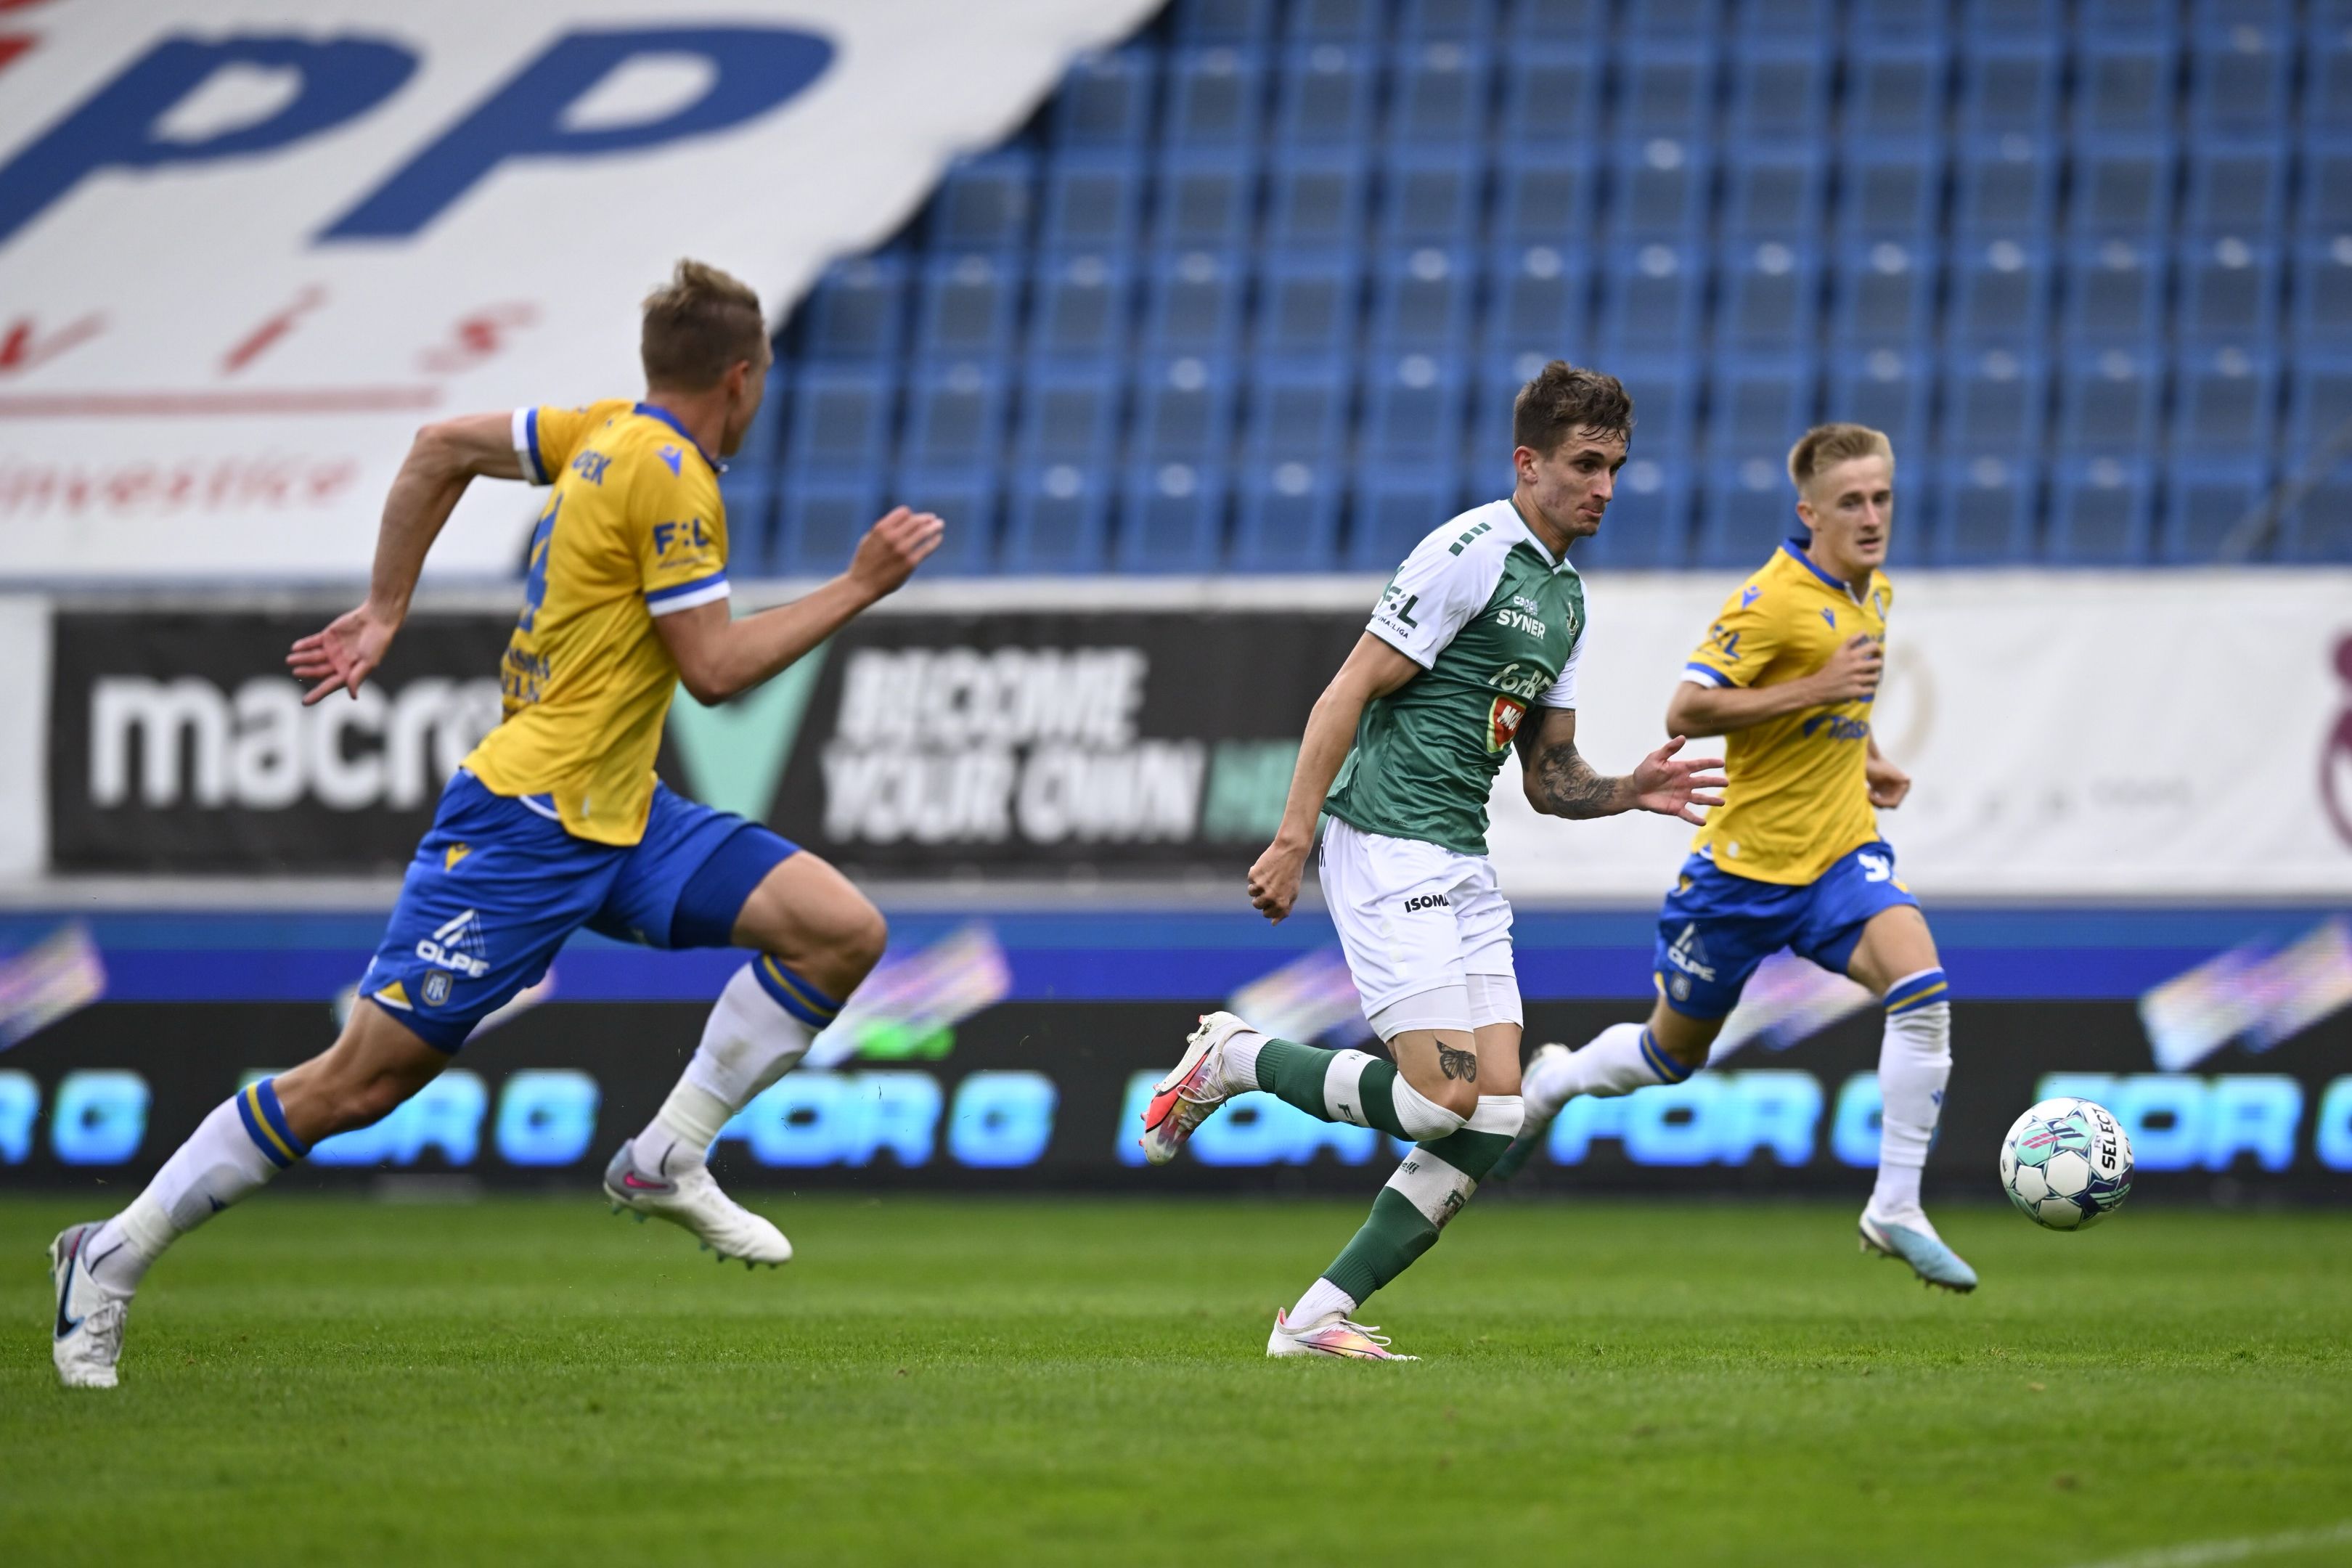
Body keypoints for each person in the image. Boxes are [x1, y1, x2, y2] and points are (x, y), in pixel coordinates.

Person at [50, 260, 944, 1388]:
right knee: (355, 1086)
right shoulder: (672, 476)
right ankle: (109, 1257)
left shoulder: (602, 429)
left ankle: (666, 1156)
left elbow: (440, 446)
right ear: (742, 377)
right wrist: (858, 582)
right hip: (527, 824)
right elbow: (713, 672)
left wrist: (386, 609)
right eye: (760, 381)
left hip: (618, 813)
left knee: (835, 929)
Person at [1137, 362, 1725, 1360]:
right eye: (1586, 464)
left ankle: (1316, 1319)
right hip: (1384, 842)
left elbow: (1548, 775)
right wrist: (1292, 838)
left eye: (1617, 467)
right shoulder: (1469, 552)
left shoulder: (1566, 598)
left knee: (1495, 1113)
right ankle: (1233, 1057)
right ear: (1526, 464)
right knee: (1439, 1098)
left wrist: (1628, 789)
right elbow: (1346, 694)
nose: (1606, 488)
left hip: (1460, 856)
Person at [1490, 422, 1977, 1294]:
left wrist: (1865, 756)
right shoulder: (1774, 600)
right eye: (1851, 503)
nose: (1871, 517)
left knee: (1924, 990)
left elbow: (1824, 712)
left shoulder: (1875, 593)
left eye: (1882, 498)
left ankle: (1895, 1206)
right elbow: (1689, 708)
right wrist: (1819, 690)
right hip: (1741, 873)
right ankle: (1557, 1080)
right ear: (1810, 513)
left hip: (1838, 856)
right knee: (1667, 1057)